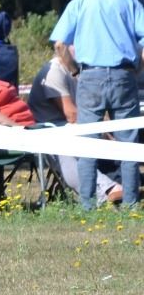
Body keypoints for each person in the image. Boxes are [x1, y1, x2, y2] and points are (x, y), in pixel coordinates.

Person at [50, 0, 144, 211]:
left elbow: (60, 45)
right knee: (128, 141)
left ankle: (88, 205)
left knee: (87, 142)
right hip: (124, 76)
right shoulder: (129, 2)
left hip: (89, 77)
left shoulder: (78, 3)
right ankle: (131, 204)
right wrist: (136, 69)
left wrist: (76, 72)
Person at [27, 48, 123, 206]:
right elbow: (71, 113)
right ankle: (105, 191)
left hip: (68, 128)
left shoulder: (73, 72)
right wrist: (101, 129)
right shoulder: (54, 73)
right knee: (67, 151)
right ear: (62, 48)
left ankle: (118, 185)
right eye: (75, 44)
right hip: (49, 131)